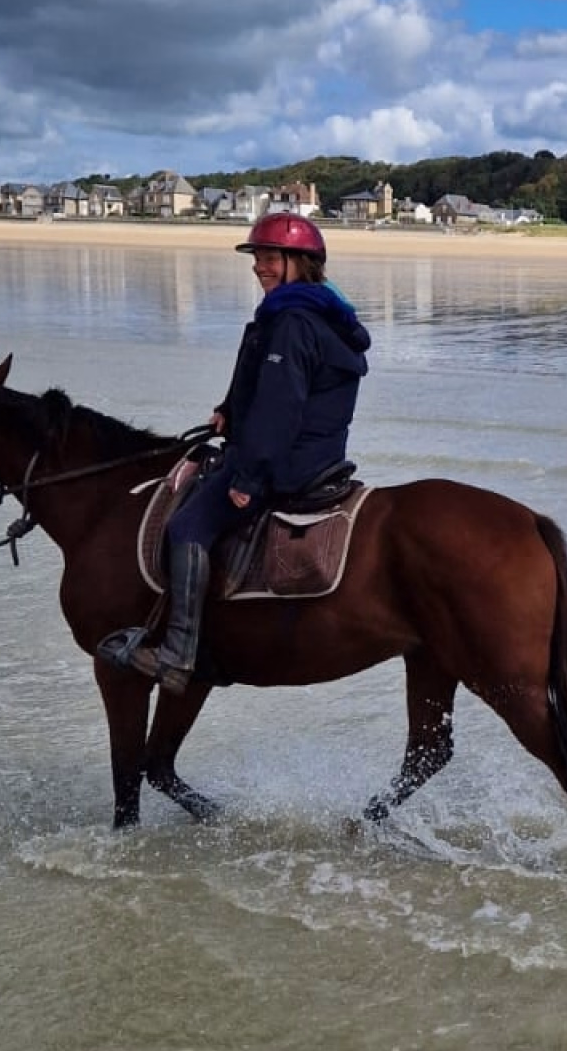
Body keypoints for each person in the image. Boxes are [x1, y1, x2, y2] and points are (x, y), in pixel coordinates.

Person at [100, 212, 372, 693]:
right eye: (257, 258)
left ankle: (177, 655)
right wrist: (229, 409)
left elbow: (279, 409)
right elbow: (277, 388)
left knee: (188, 525)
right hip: (317, 452)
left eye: (268, 258)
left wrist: (249, 479)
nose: (258, 267)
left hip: (286, 461)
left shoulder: (290, 321)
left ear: (298, 262)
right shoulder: (320, 314)